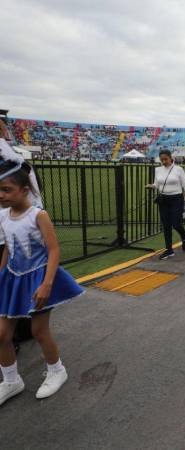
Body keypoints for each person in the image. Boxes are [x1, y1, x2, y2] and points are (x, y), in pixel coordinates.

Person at [0, 155, 84, 406]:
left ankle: (57, 370)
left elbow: (54, 250)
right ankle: (11, 380)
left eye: (6, 189)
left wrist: (47, 283)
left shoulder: (38, 215)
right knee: (2, 334)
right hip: (12, 279)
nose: (1, 195)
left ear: (25, 190)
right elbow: (8, 249)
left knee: (38, 330)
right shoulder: (3, 216)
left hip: (38, 277)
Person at [146, 150, 185, 260]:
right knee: (166, 225)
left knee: (176, 223)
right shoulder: (158, 170)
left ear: (171, 158)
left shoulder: (178, 169)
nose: (164, 161)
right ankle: (169, 250)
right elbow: (157, 184)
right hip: (163, 199)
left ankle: (184, 237)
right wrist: (152, 186)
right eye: (162, 160)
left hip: (176, 199)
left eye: (165, 159)